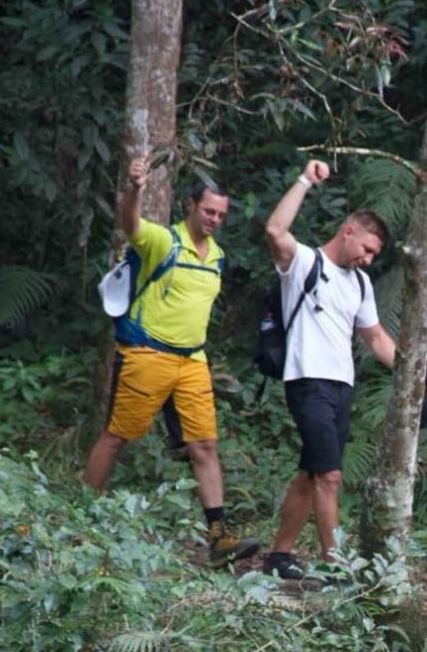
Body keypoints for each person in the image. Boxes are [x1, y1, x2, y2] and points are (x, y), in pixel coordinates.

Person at [81, 155, 259, 564]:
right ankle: (81, 512)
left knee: (205, 444)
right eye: (209, 211)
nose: (215, 219)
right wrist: (136, 189)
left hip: (192, 360)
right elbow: (131, 225)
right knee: (118, 435)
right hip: (148, 353)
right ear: (191, 207)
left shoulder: (216, 256)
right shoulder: (165, 241)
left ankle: (219, 536)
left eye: (221, 214)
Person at [260, 159, 396, 581]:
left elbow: (375, 338)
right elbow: (274, 231)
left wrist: (416, 376)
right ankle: (336, 565)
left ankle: (279, 555)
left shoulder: (359, 283)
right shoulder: (304, 263)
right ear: (348, 231)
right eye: (368, 250)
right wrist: (304, 179)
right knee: (330, 476)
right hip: (307, 380)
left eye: (375, 255)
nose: (370, 260)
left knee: (310, 471)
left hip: (341, 387)